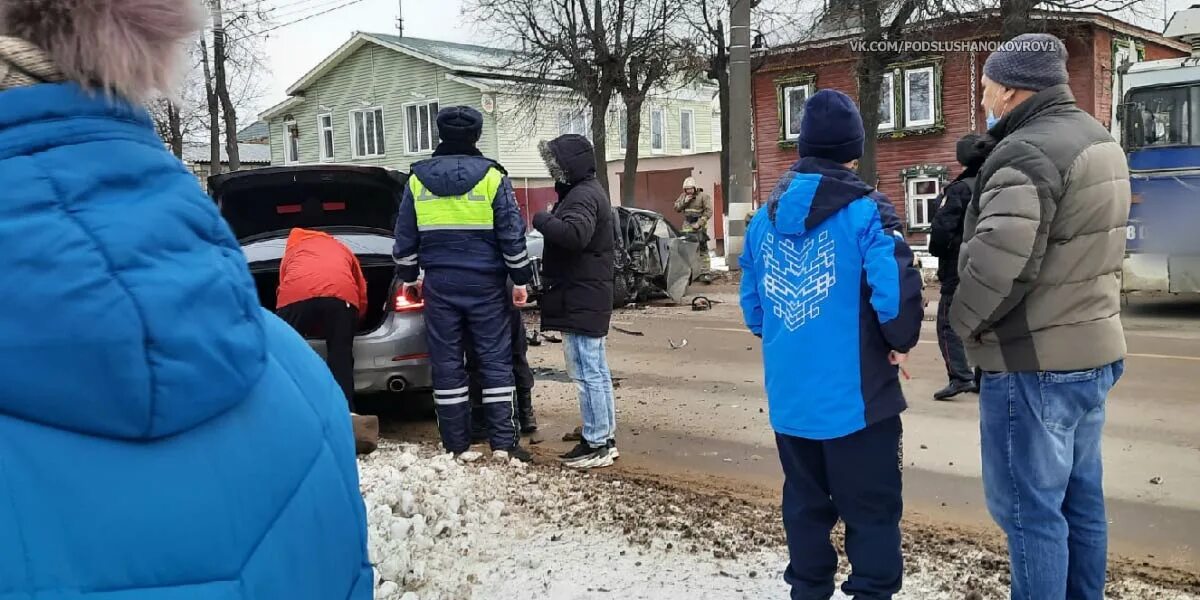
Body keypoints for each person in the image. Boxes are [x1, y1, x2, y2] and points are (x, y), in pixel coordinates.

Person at [0, 1, 372, 597]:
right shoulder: (304, 383)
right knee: (343, 357)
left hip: (299, 304)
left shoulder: (292, 260)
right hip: (334, 315)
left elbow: (280, 290)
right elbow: (353, 283)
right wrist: (354, 312)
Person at [952, 33, 1130, 600]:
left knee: (1031, 515)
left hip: (1033, 362)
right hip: (1092, 351)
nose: (983, 99)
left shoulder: (1027, 151)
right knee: (1081, 503)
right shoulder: (1097, 139)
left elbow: (998, 264)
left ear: (1009, 89)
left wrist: (961, 326)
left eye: (985, 88)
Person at [739, 89, 924, 600]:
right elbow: (895, 293)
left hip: (791, 400)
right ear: (854, 151)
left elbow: (754, 308)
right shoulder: (867, 213)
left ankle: (808, 590)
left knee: (804, 507)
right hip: (857, 401)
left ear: (802, 150)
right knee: (873, 510)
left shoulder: (762, 220)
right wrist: (899, 342)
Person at [393, 106, 534, 462]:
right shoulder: (493, 177)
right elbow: (511, 235)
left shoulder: (417, 180)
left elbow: (404, 238)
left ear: (441, 136)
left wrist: (410, 279)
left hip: (440, 285)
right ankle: (503, 444)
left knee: (448, 362)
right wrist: (520, 280)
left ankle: (458, 445)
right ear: (476, 136)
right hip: (486, 284)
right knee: (495, 360)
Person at [534, 134, 618, 470]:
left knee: (586, 373)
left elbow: (573, 236)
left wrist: (543, 219)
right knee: (595, 370)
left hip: (582, 296)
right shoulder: (589, 191)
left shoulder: (583, 196)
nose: (553, 171)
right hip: (587, 295)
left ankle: (596, 442)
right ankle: (603, 437)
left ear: (569, 165)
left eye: (556, 164)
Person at [927, 134, 992, 401]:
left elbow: (943, 230)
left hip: (957, 266)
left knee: (947, 323)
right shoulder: (994, 183)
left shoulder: (959, 189)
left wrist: (937, 250)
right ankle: (982, 375)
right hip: (987, 264)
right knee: (981, 323)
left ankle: (960, 376)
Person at [276, 228, 368, 408]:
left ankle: (287, 406)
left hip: (295, 296)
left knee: (285, 354)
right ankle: (346, 411)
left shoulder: (292, 252)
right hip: (341, 296)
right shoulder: (341, 248)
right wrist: (356, 320)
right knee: (340, 354)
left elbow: (283, 285)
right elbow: (360, 287)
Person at [469, 279, 537, 440]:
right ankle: (525, 413)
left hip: (477, 291)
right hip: (505, 288)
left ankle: (481, 420)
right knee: (515, 353)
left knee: (478, 356)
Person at [674, 177, 714, 282]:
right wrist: (684, 202)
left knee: (703, 250)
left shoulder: (703, 197)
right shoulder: (683, 197)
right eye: (686, 189)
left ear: (695, 188)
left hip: (700, 227)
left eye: (690, 189)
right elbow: (676, 208)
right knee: (688, 251)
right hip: (687, 226)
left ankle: (705, 273)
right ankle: (691, 273)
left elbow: (709, 211)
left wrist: (699, 223)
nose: (689, 191)